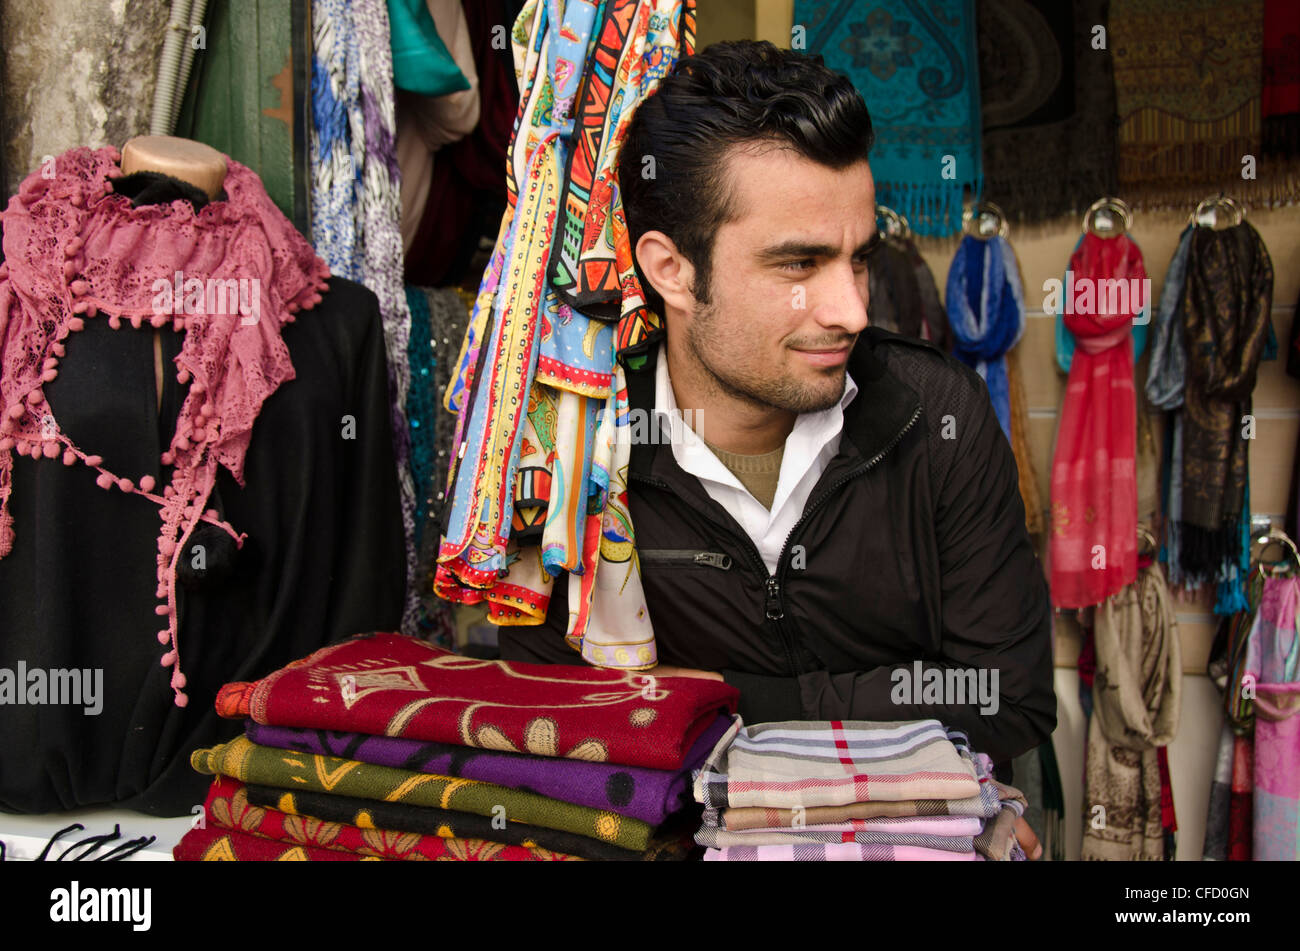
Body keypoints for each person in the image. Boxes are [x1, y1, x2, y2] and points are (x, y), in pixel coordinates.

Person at [498, 40, 1054, 853]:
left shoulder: (933, 414)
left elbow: (1008, 696)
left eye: (858, 258)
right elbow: (556, 716)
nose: (853, 310)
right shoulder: (577, 451)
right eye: (801, 262)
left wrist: (706, 700)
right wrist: (876, 709)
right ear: (673, 271)